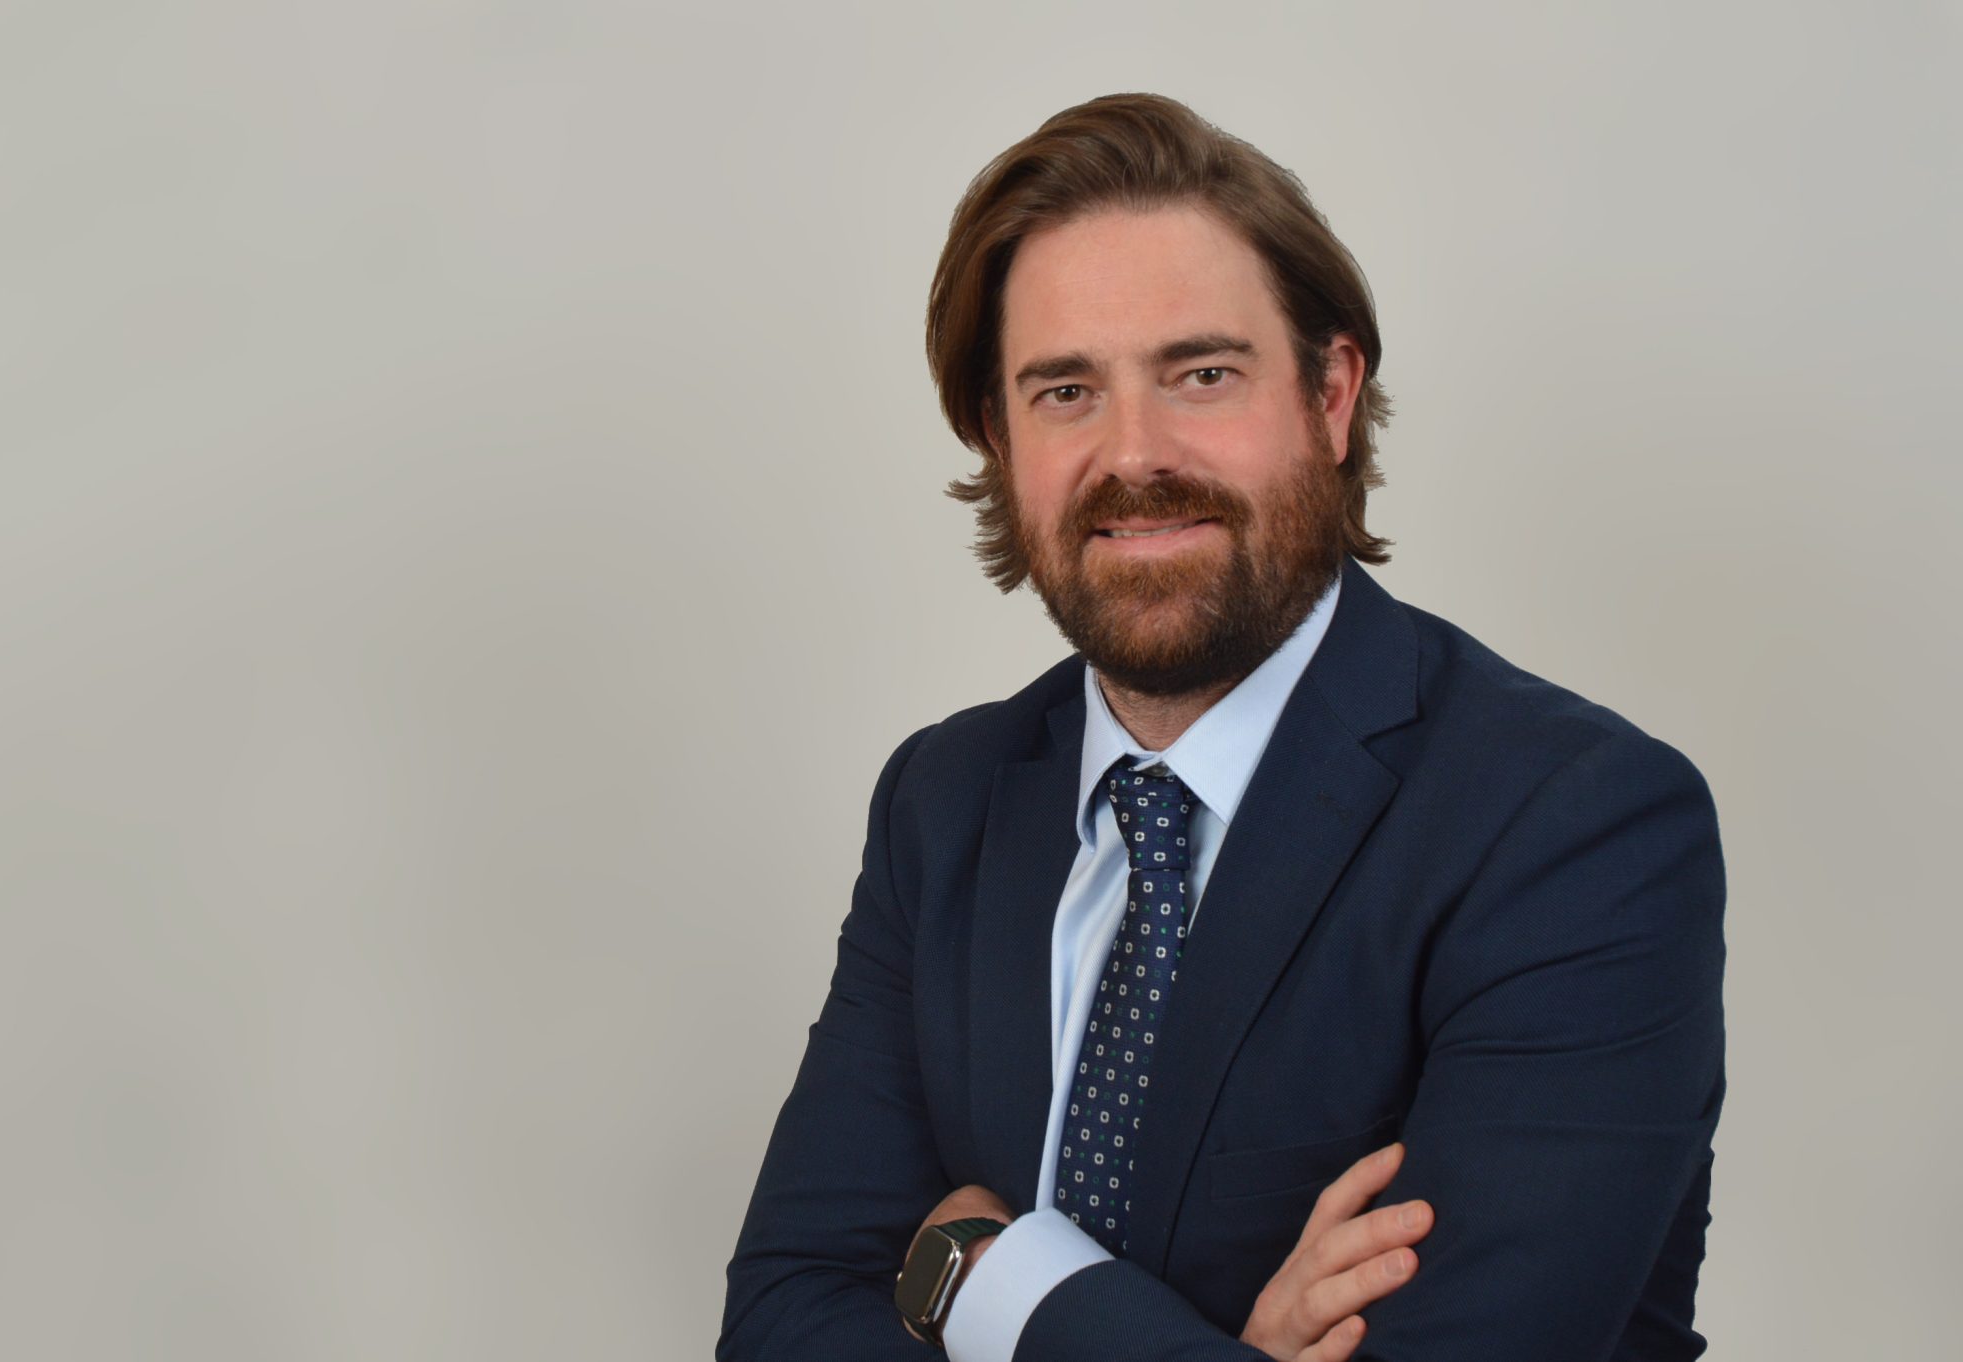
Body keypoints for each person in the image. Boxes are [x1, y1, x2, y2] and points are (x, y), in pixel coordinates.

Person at [718, 93, 1726, 1362]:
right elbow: (783, 1319)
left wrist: (986, 1266)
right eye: (1064, 390)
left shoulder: (1573, 826)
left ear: (1329, 396)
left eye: (1201, 375)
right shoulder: (944, 800)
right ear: (997, 437)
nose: (1133, 455)